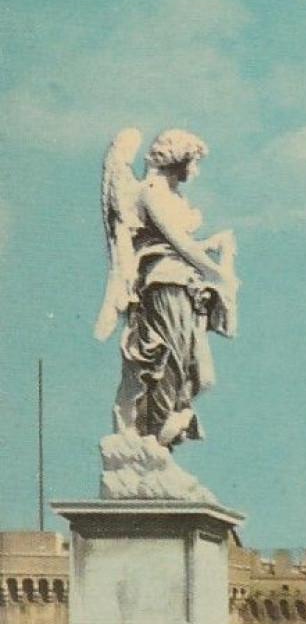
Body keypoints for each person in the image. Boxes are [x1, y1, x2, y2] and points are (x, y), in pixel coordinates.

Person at [98, 128, 238, 448]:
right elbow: (178, 242)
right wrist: (217, 272)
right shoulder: (149, 191)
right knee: (169, 359)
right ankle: (155, 430)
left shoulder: (174, 196)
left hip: (184, 286)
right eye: (194, 161)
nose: (196, 170)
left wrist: (212, 248)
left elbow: (180, 247)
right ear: (179, 157)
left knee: (195, 369)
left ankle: (161, 429)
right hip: (163, 286)